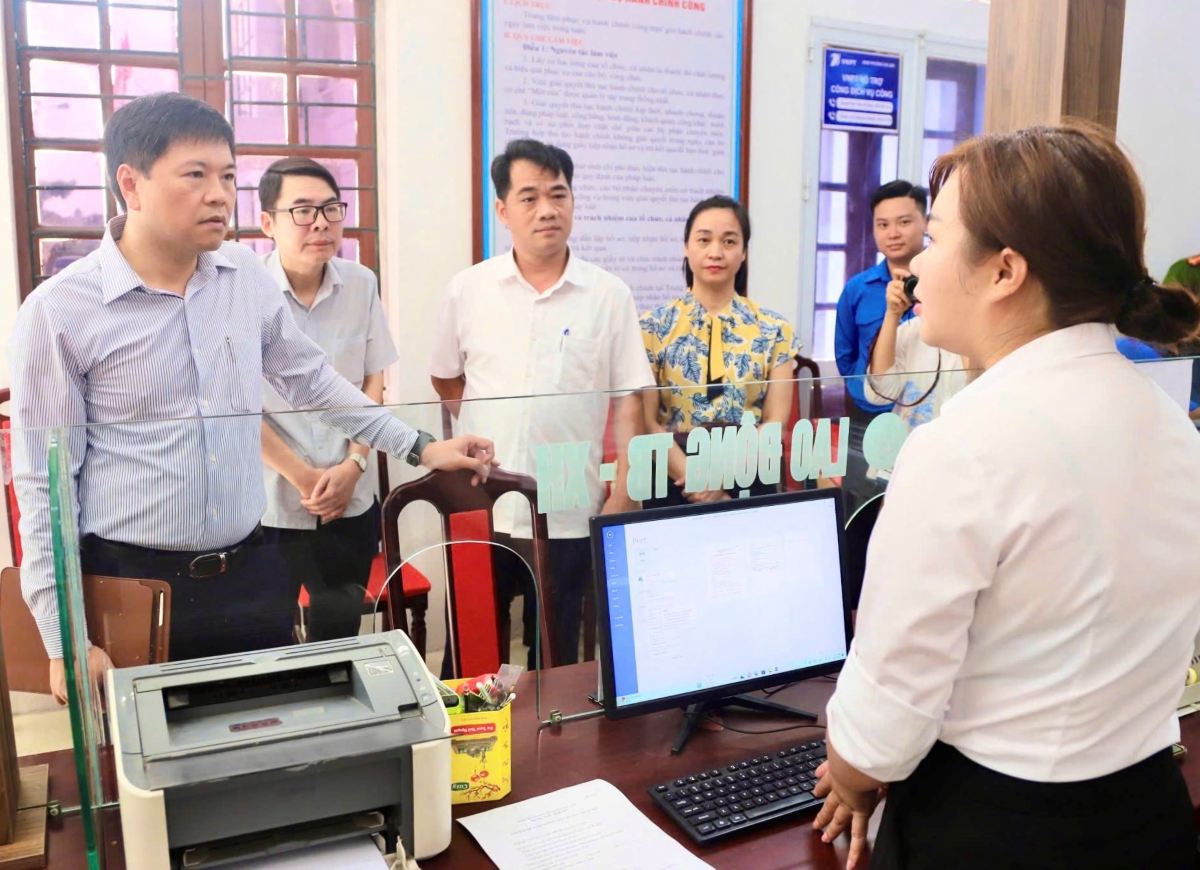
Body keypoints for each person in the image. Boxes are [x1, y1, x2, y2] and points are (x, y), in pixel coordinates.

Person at [10, 93, 495, 704]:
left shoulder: (241, 280)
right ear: (130, 184)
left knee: (266, 748)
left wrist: (423, 448)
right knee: (157, 780)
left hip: (250, 568)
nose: (220, 194)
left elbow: (312, 382)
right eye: (196, 175)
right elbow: (43, 490)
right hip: (136, 587)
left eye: (228, 176)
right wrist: (64, 639)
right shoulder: (60, 312)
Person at [813, 123, 1200, 869]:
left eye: (935, 236)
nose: (916, 261)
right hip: (1149, 816)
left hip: (999, 831)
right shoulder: (1171, 426)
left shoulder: (964, 446)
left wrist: (855, 780)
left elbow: (878, 732)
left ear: (1004, 271)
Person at [430, 139, 651, 668]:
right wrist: (488, 427)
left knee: (554, 643)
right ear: (503, 210)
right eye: (529, 197)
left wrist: (625, 490)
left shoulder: (608, 294)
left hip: (568, 497)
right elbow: (445, 379)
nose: (547, 209)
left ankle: (548, 745)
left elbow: (628, 401)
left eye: (559, 194)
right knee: (472, 642)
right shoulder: (468, 289)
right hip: (482, 491)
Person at [255, 157, 395, 641]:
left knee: (337, 636)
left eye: (331, 209)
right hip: (271, 502)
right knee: (267, 639)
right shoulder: (242, 292)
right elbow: (235, 404)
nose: (320, 222)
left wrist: (355, 464)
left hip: (348, 498)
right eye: (302, 210)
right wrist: (306, 477)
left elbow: (374, 380)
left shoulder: (361, 283)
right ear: (267, 222)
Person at [639, 195, 800, 505]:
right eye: (703, 240)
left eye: (729, 242)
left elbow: (776, 422)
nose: (715, 252)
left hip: (749, 472)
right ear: (686, 247)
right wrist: (696, 477)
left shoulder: (774, 327)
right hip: (675, 476)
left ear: (743, 253)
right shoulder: (652, 327)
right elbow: (646, 422)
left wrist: (721, 476)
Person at [833, 181, 927, 511]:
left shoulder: (943, 286)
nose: (893, 233)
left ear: (925, 222)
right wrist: (865, 391)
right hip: (866, 419)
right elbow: (845, 357)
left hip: (924, 422)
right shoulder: (858, 289)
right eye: (882, 225)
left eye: (904, 222)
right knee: (859, 511)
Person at [865, 271, 970, 435]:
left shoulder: (985, 336)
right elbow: (880, 394)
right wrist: (892, 314)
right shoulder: (912, 329)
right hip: (906, 450)